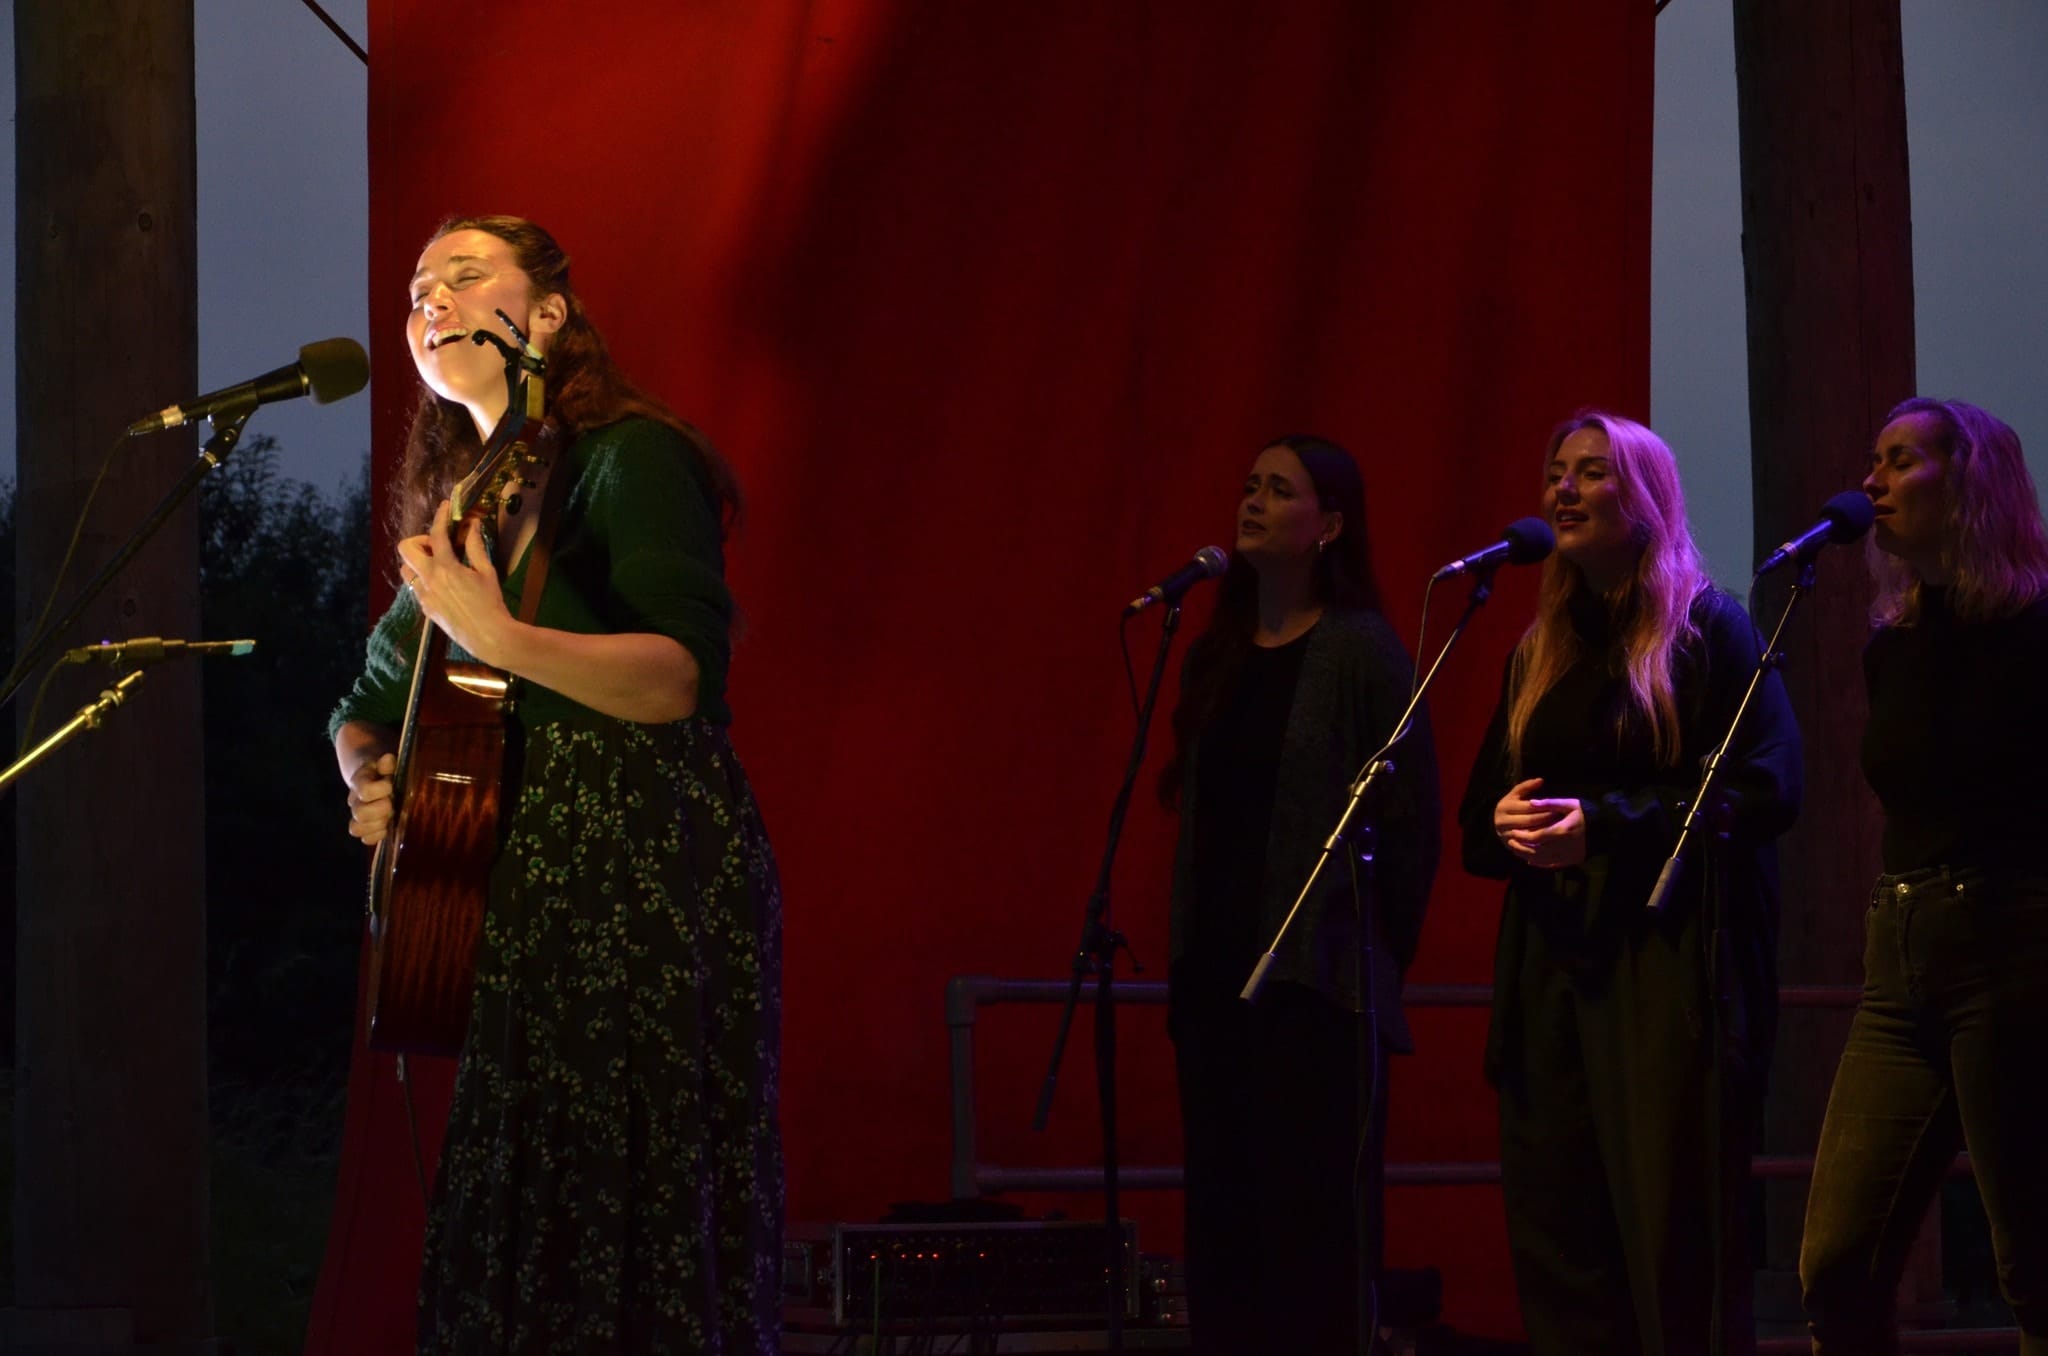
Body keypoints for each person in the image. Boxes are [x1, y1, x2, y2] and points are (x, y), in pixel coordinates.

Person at [330, 215, 782, 1354]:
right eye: (416, 292)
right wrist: (372, 779)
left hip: (639, 862)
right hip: (511, 885)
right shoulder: (464, 510)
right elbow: (360, 708)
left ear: (545, 316)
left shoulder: (631, 458)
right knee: (525, 1218)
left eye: (464, 276)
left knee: (630, 1201)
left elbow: (678, 679)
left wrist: (498, 637)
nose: (429, 301)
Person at [1458, 411, 1800, 1355]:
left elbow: (1768, 785)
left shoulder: (1706, 627)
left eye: (1592, 472)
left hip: (1664, 963)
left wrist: (1605, 825)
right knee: (1560, 1234)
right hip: (1551, 965)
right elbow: (1478, 821)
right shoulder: (1541, 649)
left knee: (1670, 1242)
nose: (1563, 489)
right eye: (1555, 471)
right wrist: (1504, 824)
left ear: (1645, 498)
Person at [1161, 434, 1441, 1355]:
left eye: (1280, 490)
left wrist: (1367, 954)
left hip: (1317, 991)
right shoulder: (1215, 653)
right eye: (1249, 486)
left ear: (1330, 526)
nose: (1253, 502)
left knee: (1311, 1240)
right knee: (1226, 1233)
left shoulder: (1361, 651)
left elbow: (1412, 823)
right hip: (1216, 986)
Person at [1798, 397, 2048, 1354]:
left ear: (1971, 479)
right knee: (1837, 1265)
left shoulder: (2036, 629)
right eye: (1874, 460)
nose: (1873, 481)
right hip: (1899, 961)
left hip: (2010, 946)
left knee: (2034, 1261)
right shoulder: (1893, 644)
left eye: (1902, 460)